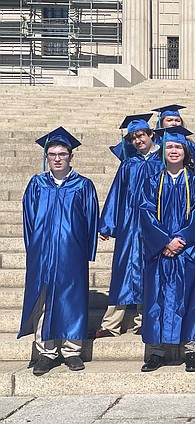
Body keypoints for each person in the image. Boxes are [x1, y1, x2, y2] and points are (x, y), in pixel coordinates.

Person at [19, 127, 99, 376]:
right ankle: (46, 352)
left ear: (70, 157)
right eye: (52, 154)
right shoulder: (36, 184)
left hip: (71, 253)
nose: (56, 158)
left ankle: (72, 350)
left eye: (62, 154)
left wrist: (86, 251)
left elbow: (91, 220)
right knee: (42, 300)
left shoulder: (83, 185)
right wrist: (34, 249)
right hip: (42, 252)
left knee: (72, 299)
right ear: (46, 156)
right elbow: (28, 221)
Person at [138, 126, 195, 373]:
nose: (174, 150)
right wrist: (164, 242)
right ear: (163, 151)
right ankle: (157, 352)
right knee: (156, 300)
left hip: (187, 253)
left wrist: (181, 240)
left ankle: (191, 351)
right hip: (159, 253)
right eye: (169, 146)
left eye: (178, 147)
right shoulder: (151, 182)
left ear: (185, 151)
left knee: (191, 300)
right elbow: (145, 214)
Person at [96, 114, 163, 338]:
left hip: (153, 227)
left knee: (149, 271)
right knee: (123, 270)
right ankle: (110, 324)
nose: (138, 140)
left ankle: (144, 321)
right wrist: (107, 224)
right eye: (134, 137)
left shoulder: (162, 161)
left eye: (141, 135)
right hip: (129, 227)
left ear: (151, 134)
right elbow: (116, 194)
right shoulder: (129, 164)